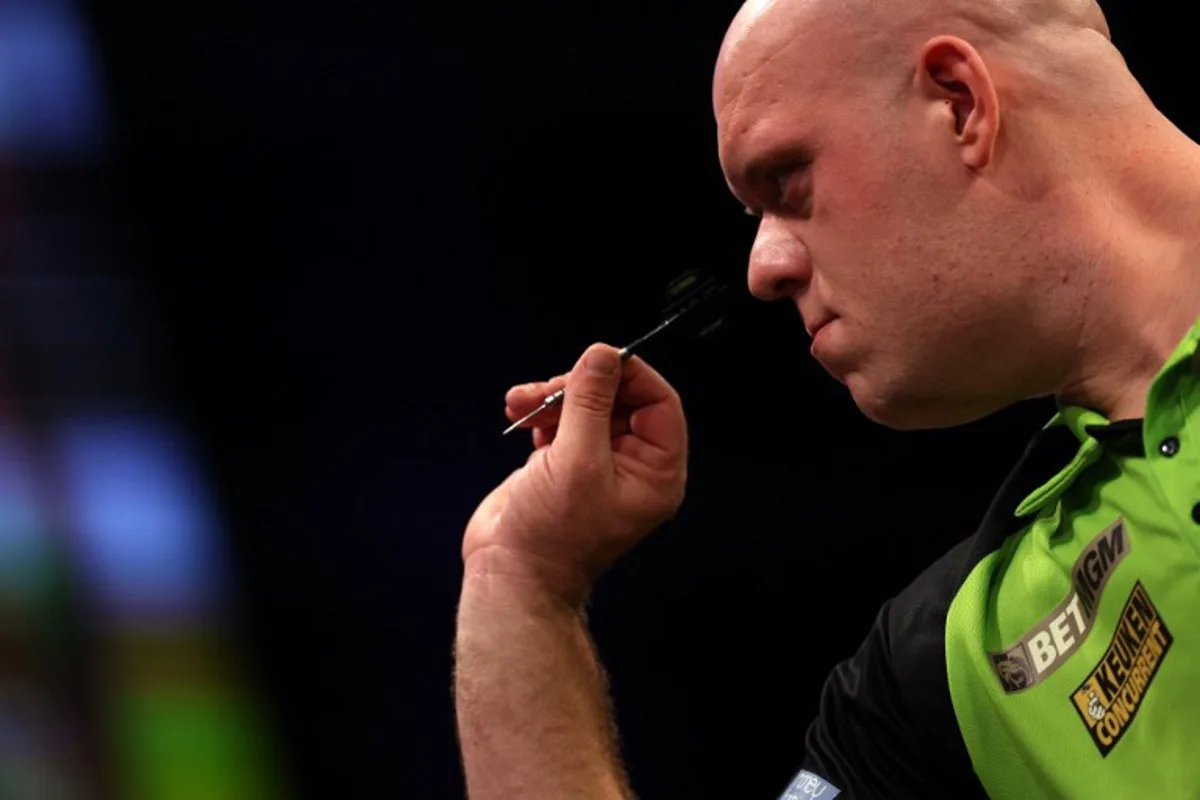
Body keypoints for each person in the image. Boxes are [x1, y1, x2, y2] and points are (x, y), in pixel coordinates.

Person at [454, 0, 1200, 795]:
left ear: (959, 103)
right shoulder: (947, 668)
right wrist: (520, 583)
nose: (762, 269)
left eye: (786, 180)